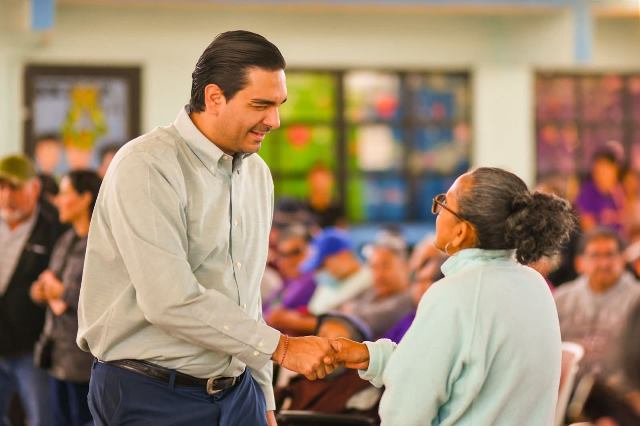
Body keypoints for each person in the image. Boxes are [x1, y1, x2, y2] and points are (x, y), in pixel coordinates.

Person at [77, 31, 336, 426]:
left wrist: (264, 397)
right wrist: (282, 349)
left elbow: (246, 300)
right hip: (150, 394)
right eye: (261, 105)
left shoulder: (257, 175)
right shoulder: (146, 166)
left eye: (278, 105)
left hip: (239, 394)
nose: (275, 121)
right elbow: (169, 300)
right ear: (215, 97)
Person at [330, 167, 576, 425]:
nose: (437, 210)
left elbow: (405, 412)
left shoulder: (454, 294)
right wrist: (368, 355)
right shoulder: (535, 284)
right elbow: (457, 370)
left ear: (461, 232)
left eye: (444, 203)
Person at [30, 170, 101, 426]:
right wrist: (41, 290)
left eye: (64, 194)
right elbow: (47, 283)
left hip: (85, 361)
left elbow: (99, 296)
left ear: (85, 198)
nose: (58, 200)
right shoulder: (65, 239)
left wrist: (61, 292)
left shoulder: (102, 244)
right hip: (57, 354)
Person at [0, 154, 64, 426]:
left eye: (15, 187)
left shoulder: (55, 227)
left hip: (33, 349)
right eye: (1, 186)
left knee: (42, 419)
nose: (7, 195)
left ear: (35, 187)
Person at [555, 228, 640, 378]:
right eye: (595, 255)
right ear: (579, 263)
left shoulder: (636, 299)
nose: (603, 264)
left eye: (610, 255)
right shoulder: (562, 299)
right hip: (570, 386)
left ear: (623, 259)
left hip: (622, 389)